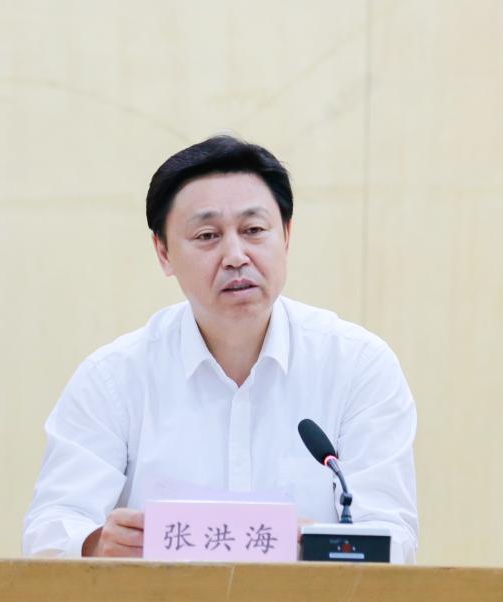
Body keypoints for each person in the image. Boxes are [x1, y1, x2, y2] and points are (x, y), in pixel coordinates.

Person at [22, 135, 419, 562]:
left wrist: (314, 542)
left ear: (286, 236)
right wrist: (97, 543)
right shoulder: (114, 378)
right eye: (208, 235)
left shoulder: (358, 366)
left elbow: (393, 541)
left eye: (254, 230)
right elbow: (50, 530)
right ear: (163, 252)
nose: (235, 256)